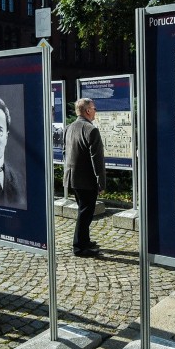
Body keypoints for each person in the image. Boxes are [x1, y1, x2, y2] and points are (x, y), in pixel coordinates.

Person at [64, 98, 105, 257]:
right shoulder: (91, 130)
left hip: (72, 178)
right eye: (94, 108)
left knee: (84, 211)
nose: (95, 111)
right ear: (87, 110)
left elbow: (64, 152)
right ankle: (79, 247)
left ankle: (85, 240)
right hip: (87, 181)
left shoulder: (69, 128)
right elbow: (97, 159)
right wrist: (101, 183)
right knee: (85, 213)